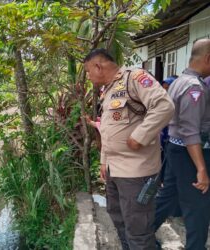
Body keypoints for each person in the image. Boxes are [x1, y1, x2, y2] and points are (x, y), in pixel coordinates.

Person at [84, 49, 174, 250]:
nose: (88, 76)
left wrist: (139, 137)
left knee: (138, 230)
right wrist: (104, 162)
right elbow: (109, 130)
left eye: (88, 71)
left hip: (136, 172)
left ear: (99, 66)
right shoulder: (108, 90)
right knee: (119, 220)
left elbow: (164, 106)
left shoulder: (134, 78)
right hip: (114, 171)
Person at [154, 39, 210, 250]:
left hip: (176, 150)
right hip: (189, 154)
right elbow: (190, 131)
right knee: (197, 208)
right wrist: (201, 169)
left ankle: (140, 237)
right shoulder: (194, 87)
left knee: (168, 197)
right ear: (208, 58)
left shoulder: (180, 80)